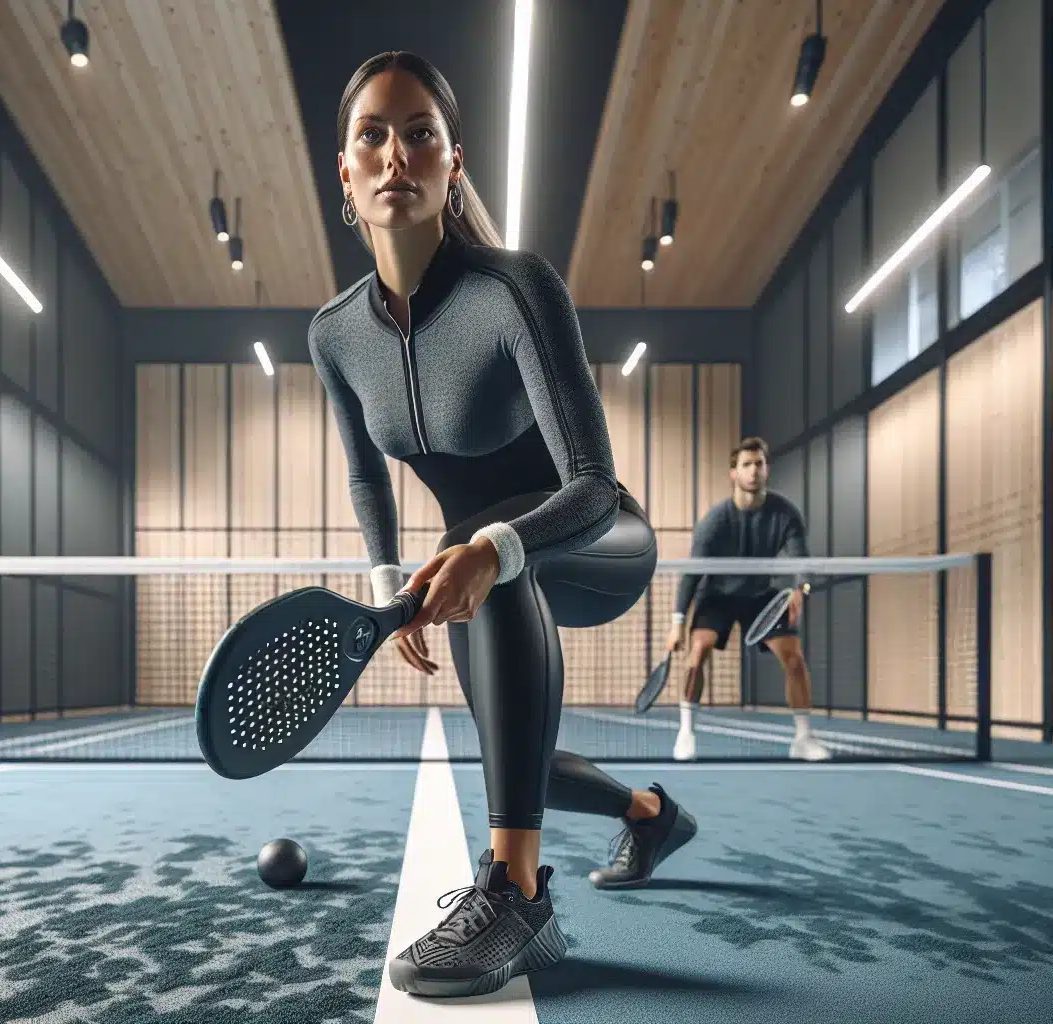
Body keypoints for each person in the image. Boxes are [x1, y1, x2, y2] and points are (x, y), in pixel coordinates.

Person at [310, 52, 697, 998]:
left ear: (453, 164)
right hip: (481, 567)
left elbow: (595, 484)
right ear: (346, 171)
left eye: (420, 134)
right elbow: (365, 472)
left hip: (594, 542)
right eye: (373, 135)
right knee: (510, 751)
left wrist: (496, 548)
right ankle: (650, 816)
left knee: (495, 562)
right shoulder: (334, 334)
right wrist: (385, 584)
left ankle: (519, 894)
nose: (396, 154)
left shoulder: (515, 288)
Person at [667, 436, 829, 762]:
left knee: (794, 658)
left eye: (759, 464)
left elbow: (802, 560)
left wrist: (801, 589)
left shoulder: (785, 514)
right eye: (746, 465)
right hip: (717, 596)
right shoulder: (714, 521)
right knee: (697, 653)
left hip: (760, 597)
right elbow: (692, 574)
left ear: (767, 469)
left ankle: (803, 738)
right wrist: (678, 622)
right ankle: (686, 733)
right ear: (734, 473)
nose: (753, 471)